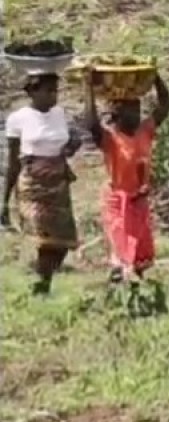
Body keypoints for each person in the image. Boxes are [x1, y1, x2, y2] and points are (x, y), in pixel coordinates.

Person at [82, 68, 169, 308]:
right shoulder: (111, 139)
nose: (136, 113)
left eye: (137, 108)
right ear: (116, 113)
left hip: (139, 201)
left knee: (140, 252)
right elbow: (91, 123)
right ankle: (119, 298)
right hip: (118, 203)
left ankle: (131, 296)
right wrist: (88, 87)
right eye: (130, 109)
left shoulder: (145, 131)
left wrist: (155, 76)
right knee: (122, 250)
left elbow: (166, 103)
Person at [4, 71, 86, 294]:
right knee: (43, 237)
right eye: (48, 91)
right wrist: (5, 201)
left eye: (55, 91)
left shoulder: (59, 114)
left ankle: (44, 279)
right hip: (33, 183)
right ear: (33, 92)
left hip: (58, 183)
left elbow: (70, 140)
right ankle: (41, 285)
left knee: (64, 240)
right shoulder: (18, 119)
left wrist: (72, 146)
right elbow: (12, 161)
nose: (53, 96)